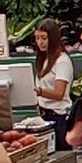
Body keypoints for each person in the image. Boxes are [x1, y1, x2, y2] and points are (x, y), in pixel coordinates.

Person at [34, 18, 74, 152]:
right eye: (37, 38)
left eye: (44, 38)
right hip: (44, 116)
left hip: (58, 117)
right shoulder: (43, 60)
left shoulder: (62, 61)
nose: (40, 42)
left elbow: (59, 93)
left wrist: (39, 91)